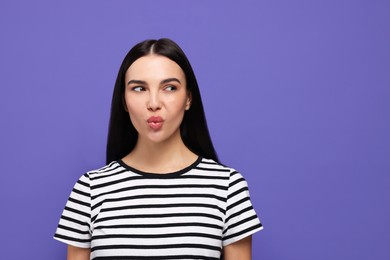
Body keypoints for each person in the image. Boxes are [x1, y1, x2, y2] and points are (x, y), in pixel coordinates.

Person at [54, 38, 263, 260]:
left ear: (188, 98)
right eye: (139, 88)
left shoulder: (227, 187)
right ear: (124, 100)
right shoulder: (90, 190)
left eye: (170, 88)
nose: (154, 103)